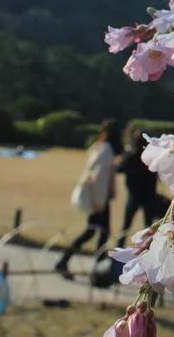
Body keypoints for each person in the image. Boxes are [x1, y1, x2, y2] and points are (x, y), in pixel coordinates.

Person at [55, 120, 122, 279]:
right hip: (99, 199)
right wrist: (99, 202)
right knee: (92, 231)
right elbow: (97, 178)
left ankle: (96, 265)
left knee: (102, 232)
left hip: (101, 198)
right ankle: (66, 262)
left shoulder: (101, 147)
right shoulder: (107, 149)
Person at [115, 131, 160, 247]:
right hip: (149, 195)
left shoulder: (130, 156)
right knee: (148, 225)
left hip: (134, 195)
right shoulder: (151, 157)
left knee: (126, 226)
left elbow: (119, 169)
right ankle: (147, 248)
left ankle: (119, 247)